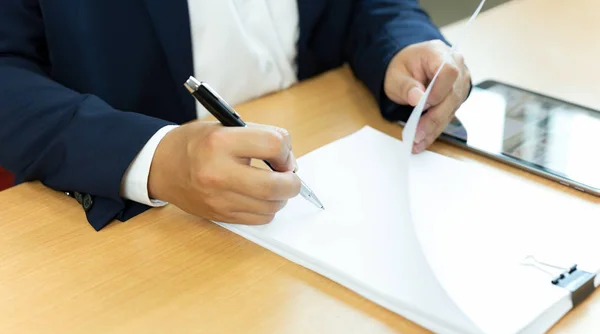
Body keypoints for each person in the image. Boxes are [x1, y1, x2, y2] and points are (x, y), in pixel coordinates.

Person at [0, 0, 471, 230]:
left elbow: (369, 5)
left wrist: (400, 44)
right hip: (144, 246)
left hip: (325, 134)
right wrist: (153, 157)